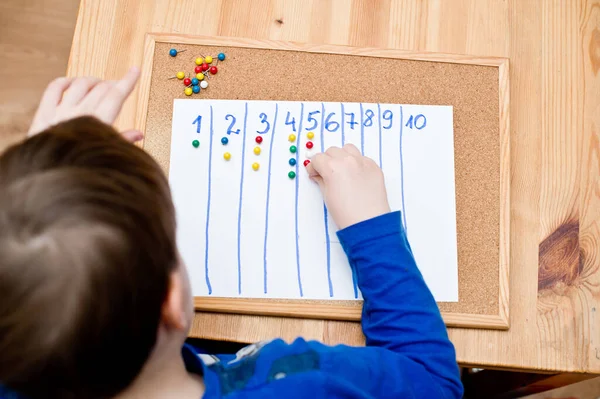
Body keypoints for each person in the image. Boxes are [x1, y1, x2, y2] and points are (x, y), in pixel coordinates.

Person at [0, 67, 463, 399]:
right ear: (172, 302)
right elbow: (433, 381)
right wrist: (372, 232)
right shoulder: (300, 382)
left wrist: (51, 174)